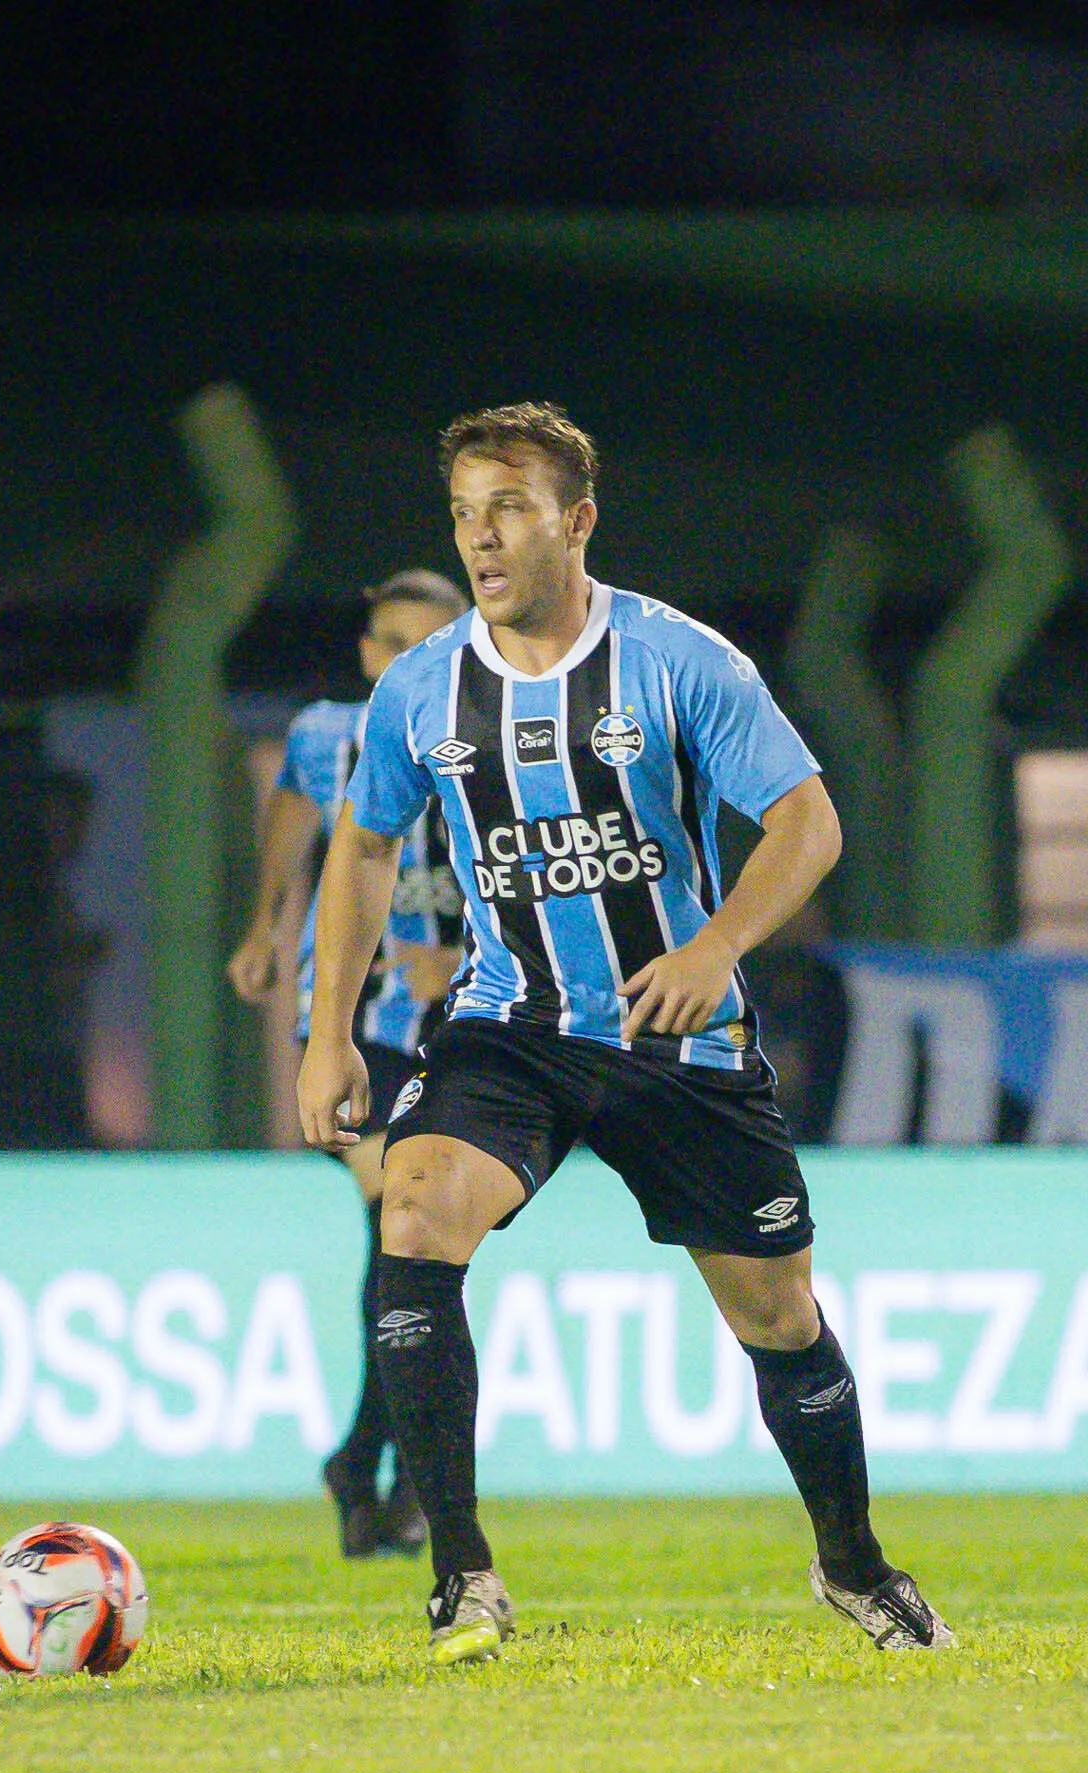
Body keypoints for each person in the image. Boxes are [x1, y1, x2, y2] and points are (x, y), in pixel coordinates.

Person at [297, 403, 954, 1663]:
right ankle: (462, 1573)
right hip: (510, 1025)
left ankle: (854, 1564)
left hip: (675, 1040)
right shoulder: (422, 686)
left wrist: (716, 948)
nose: (481, 540)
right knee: (416, 1209)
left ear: (578, 521)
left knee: (778, 1317)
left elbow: (808, 821)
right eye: (462, 516)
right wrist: (330, 1034)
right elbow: (366, 844)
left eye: (509, 510)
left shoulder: (677, 659)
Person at [231, 569, 469, 1558]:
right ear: (368, 650)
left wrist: (465, 952)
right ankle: (404, 1470)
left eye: (424, 638)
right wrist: (263, 925)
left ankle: (369, 1460)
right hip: (350, 1020)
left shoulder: (492, 730)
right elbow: (294, 826)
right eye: (386, 638)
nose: (398, 655)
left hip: (456, 1020)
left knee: (416, 1245)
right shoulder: (326, 733)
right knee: (401, 1216)